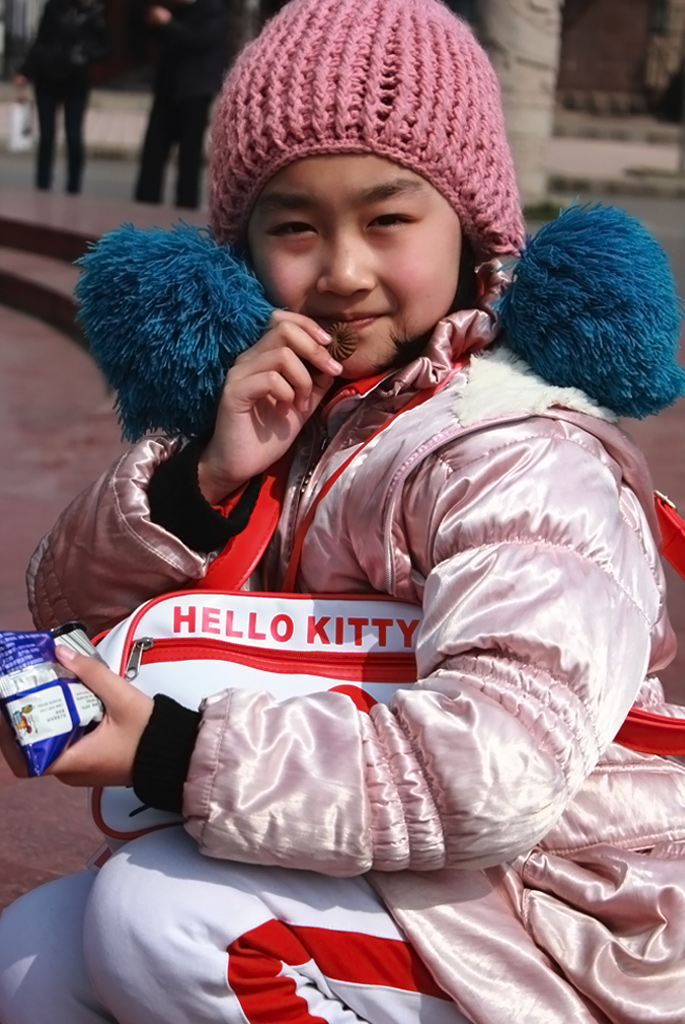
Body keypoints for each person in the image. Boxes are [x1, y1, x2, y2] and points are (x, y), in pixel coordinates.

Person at [1, 0, 685, 1021]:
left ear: (473, 229)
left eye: (387, 218)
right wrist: (203, 484)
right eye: (293, 226)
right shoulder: (274, 408)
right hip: (356, 850)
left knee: (165, 922)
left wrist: (171, 754)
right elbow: (64, 604)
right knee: (31, 954)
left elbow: (497, 770)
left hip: (556, 908)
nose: (342, 271)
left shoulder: (516, 450)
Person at [133, 0, 228, 210]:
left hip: (194, 92)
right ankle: (144, 207)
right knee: (153, 153)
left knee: (189, 158)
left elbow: (200, 41)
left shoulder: (211, 9)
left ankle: (185, 209)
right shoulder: (176, 10)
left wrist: (168, 24)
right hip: (167, 89)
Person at [14, 0, 108, 194]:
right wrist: (26, 70)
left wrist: (84, 55)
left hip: (75, 79)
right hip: (47, 76)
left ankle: (73, 187)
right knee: (47, 136)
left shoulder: (94, 12)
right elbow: (40, 40)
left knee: (73, 136)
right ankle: (42, 185)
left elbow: (104, 46)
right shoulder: (53, 7)